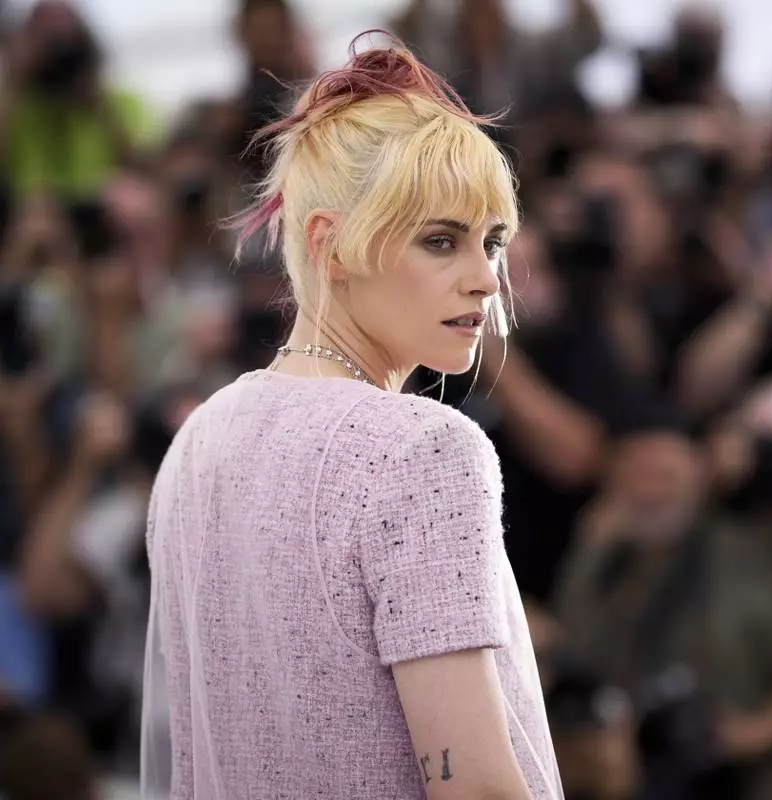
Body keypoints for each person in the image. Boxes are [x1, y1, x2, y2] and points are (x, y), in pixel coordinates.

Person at [140, 34, 561, 799]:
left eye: (493, 242)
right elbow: (473, 786)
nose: (486, 280)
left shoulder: (198, 440)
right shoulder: (423, 449)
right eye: (441, 241)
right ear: (330, 246)